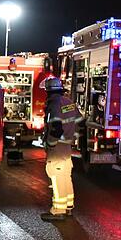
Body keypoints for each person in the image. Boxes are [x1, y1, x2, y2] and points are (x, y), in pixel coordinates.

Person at [41, 75, 83, 221]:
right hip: (67, 147)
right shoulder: (69, 102)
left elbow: (56, 128)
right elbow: (80, 123)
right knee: (65, 175)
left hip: (57, 147)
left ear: (48, 91)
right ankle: (68, 206)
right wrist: (73, 137)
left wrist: (50, 143)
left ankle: (58, 210)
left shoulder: (53, 104)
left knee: (56, 176)